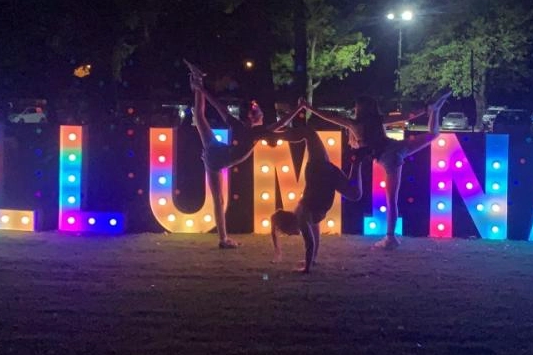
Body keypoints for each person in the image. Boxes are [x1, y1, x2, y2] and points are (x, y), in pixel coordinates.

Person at [306, 91, 451, 249]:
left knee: (391, 200)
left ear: (359, 109)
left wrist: (309, 107)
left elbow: (329, 117)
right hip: (397, 147)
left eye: (356, 107)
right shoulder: (378, 120)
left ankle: (390, 238)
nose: (354, 109)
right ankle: (435, 110)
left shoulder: (354, 124)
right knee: (433, 134)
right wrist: (426, 109)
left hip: (389, 158)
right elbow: (406, 116)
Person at [185, 60, 302, 248]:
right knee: (218, 200)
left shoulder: (240, 126)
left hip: (217, 150)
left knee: (199, 117)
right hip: (218, 158)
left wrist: (203, 90)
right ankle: (223, 239)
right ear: (252, 117)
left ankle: (197, 79)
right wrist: (299, 108)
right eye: (259, 112)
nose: (262, 113)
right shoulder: (256, 132)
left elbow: (219, 107)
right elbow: (280, 123)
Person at [268, 111, 363, 272]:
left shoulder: (302, 217)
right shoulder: (306, 216)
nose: (290, 235)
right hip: (325, 176)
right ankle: (357, 159)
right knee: (355, 194)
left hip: (318, 171)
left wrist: (306, 268)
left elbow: (310, 243)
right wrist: (312, 260)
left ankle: (272, 135)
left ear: (289, 225)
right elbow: (315, 237)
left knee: (309, 133)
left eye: (286, 233)